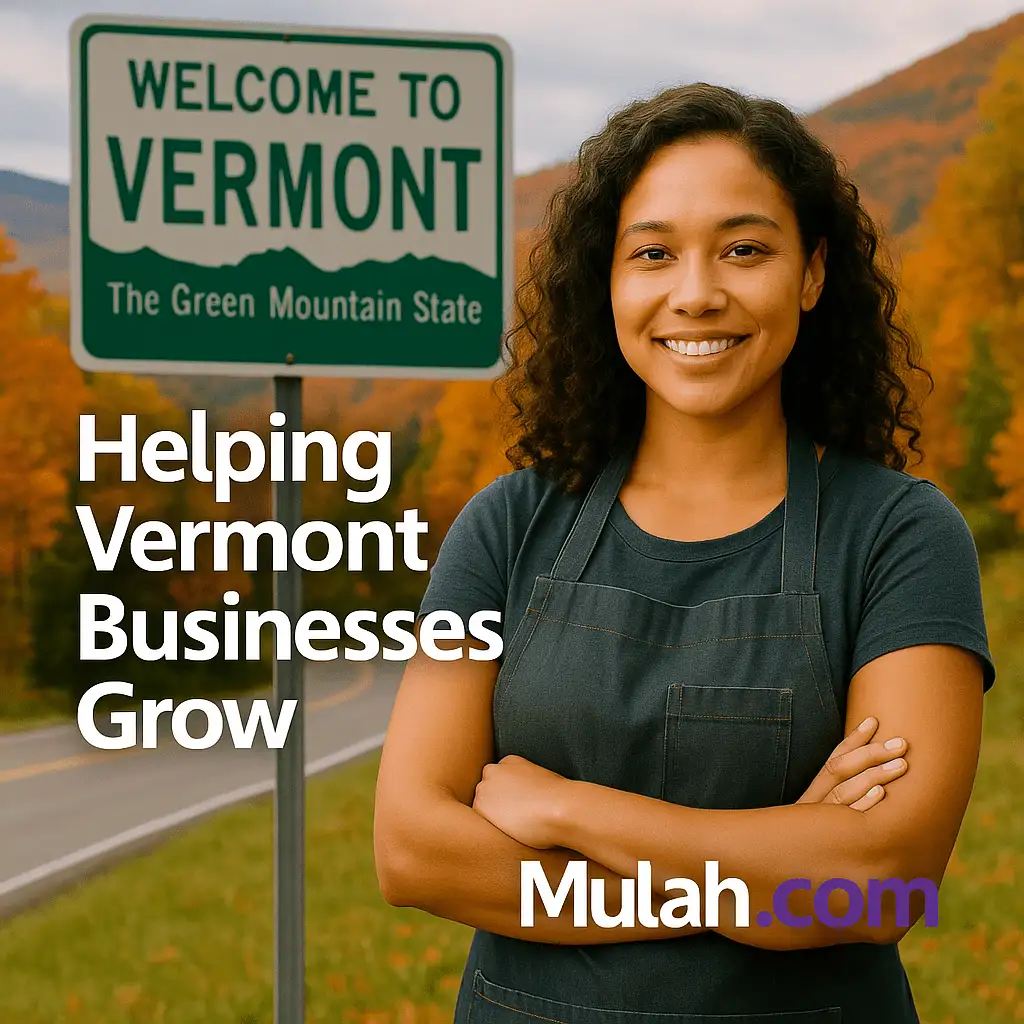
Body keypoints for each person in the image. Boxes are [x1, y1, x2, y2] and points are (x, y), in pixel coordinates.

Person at [373, 83, 995, 1023]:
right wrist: (769, 876)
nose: (696, 293)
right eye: (653, 253)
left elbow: (880, 884)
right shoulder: (506, 526)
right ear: (608, 283)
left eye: (744, 250)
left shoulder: (900, 536)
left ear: (812, 274)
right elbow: (413, 852)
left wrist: (570, 813)